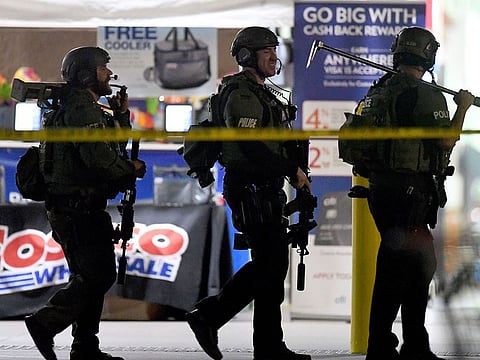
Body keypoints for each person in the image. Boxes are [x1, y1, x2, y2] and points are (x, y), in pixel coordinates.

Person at [185, 26, 312, 360]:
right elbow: (250, 146)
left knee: (271, 270)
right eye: (265, 50)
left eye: (274, 49)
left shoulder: (263, 92)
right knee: (269, 265)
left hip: (265, 188)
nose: (274, 56)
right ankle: (209, 315)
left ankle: (268, 347)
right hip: (250, 187)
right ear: (247, 57)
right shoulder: (242, 93)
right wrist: (290, 169)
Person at [358, 27, 475, 360]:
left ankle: (409, 344)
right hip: (409, 191)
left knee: (410, 267)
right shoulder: (425, 94)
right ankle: (385, 346)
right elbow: (445, 140)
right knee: (405, 269)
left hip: (382, 188)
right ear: (429, 55)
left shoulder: (379, 90)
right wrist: (463, 107)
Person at [24, 46, 146, 360]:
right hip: (78, 208)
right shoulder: (82, 109)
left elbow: (108, 146)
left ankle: (85, 347)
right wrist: (129, 169)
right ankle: (45, 322)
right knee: (99, 275)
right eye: (104, 68)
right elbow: (99, 158)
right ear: (86, 74)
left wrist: (119, 116)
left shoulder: (83, 107)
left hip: (73, 207)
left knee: (87, 276)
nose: (110, 74)